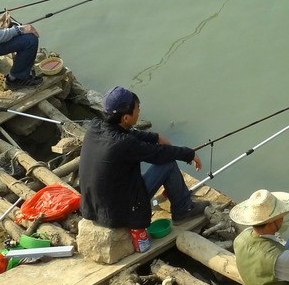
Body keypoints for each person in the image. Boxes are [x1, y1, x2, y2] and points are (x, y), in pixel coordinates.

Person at [79, 86, 210, 229]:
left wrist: (155, 137)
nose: (139, 111)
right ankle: (183, 209)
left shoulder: (94, 126)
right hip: (118, 213)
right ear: (126, 117)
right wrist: (189, 154)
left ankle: (177, 198)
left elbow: (129, 134)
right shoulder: (123, 144)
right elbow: (159, 154)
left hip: (93, 208)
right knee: (168, 164)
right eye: (137, 109)